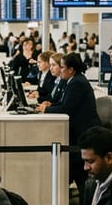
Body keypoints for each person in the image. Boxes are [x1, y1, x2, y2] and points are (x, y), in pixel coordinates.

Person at [37, 53, 99, 192]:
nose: (60, 70)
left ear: (71, 69)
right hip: (78, 129)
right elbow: (62, 102)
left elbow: (66, 109)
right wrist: (50, 105)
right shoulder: (72, 81)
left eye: (62, 67)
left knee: (75, 167)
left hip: (82, 132)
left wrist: (46, 110)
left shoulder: (77, 82)